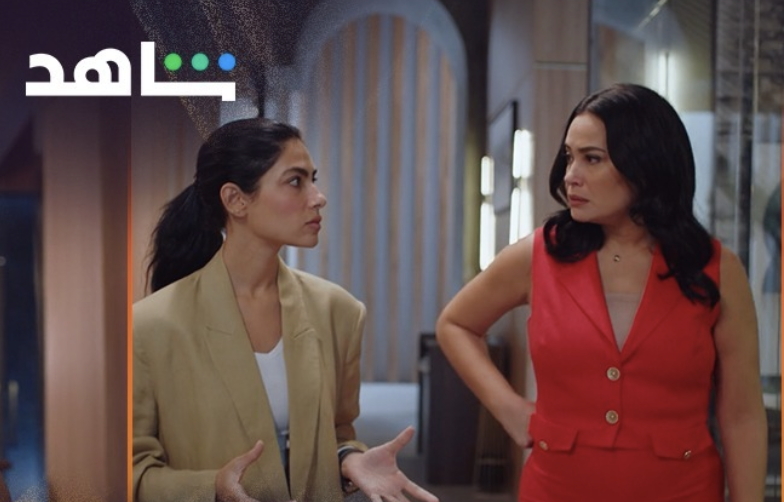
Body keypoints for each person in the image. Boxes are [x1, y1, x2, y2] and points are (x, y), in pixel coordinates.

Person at [436, 83, 768, 501]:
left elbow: (741, 415)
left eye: (592, 159)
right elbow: (456, 325)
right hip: (557, 489)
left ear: (645, 164)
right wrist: (510, 410)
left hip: (683, 490)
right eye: (569, 157)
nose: (570, 176)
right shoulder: (538, 255)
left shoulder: (715, 268)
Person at [133, 118, 438, 502]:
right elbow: (134, 471)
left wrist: (349, 459)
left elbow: (338, 432)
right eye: (296, 181)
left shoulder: (339, 312)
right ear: (236, 200)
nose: (318, 197)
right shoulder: (151, 325)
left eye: (313, 179)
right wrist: (212, 487)